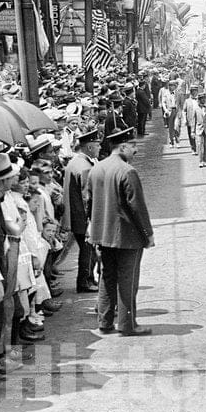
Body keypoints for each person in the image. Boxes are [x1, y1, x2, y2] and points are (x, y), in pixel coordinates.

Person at [87, 126, 154, 336]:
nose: (135, 151)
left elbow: (90, 203)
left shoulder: (96, 169)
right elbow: (138, 208)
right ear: (122, 146)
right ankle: (127, 324)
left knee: (107, 278)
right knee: (128, 280)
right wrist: (148, 234)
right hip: (126, 237)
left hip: (102, 235)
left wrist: (94, 231)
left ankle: (105, 322)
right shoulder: (128, 171)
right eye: (133, 146)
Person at [63, 128, 100, 293]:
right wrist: (90, 220)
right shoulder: (85, 167)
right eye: (97, 145)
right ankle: (85, 281)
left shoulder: (75, 162)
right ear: (89, 147)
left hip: (74, 215)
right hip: (82, 217)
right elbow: (87, 198)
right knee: (88, 250)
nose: (99, 148)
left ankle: (86, 280)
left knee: (87, 249)